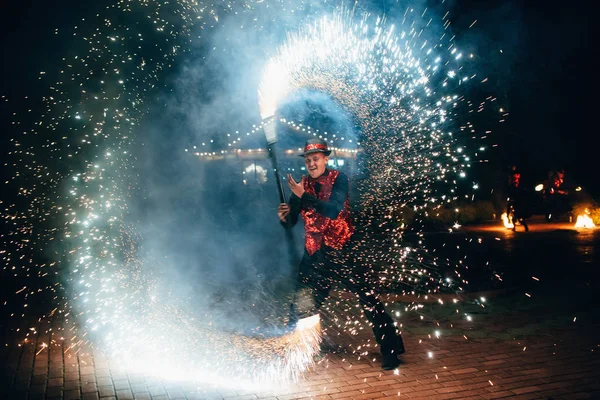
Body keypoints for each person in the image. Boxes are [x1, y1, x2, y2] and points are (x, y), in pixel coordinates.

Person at [277, 138, 405, 370]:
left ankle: (391, 352)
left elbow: (334, 210)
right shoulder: (301, 184)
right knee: (301, 304)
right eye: (308, 160)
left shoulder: (339, 179)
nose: (311, 163)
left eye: (315, 159)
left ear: (325, 158)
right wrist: (285, 217)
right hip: (314, 255)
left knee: (369, 301)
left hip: (344, 251)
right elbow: (292, 222)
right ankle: (292, 351)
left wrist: (302, 195)